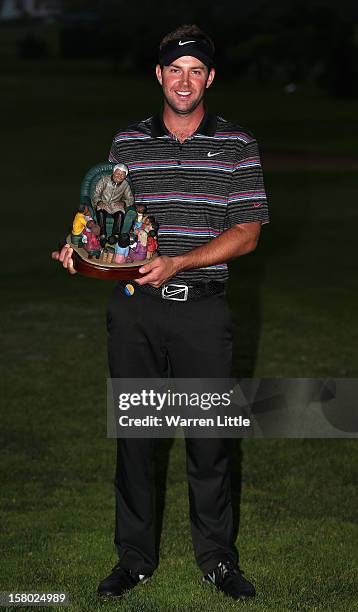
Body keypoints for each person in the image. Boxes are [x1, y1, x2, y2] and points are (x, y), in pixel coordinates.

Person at [52, 24, 269, 602]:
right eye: (176, 69)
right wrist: (82, 251)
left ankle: (218, 560)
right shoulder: (128, 143)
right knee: (136, 439)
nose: (185, 80)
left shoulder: (236, 144)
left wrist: (179, 263)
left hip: (202, 312)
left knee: (208, 443)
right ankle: (135, 559)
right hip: (136, 313)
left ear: (211, 78)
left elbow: (247, 234)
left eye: (196, 70)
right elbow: (105, 219)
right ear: (159, 75)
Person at [93, 163, 134, 246]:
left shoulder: (125, 185)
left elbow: (130, 199)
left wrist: (123, 203)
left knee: (119, 214)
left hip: (115, 205)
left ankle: (115, 235)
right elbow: (96, 194)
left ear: (125, 176)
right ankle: (102, 235)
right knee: (100, 212)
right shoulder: (104, 180)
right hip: (104, 203)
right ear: (113, 172)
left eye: (122, 175)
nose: (119, 176)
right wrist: (99, 202)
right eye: (118, 173)